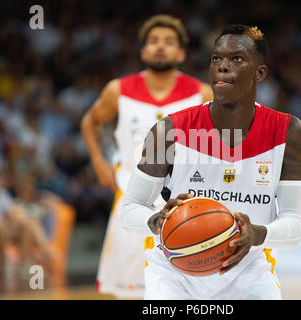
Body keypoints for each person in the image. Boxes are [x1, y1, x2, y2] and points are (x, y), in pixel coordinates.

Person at [121, 24, 301, 300]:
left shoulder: (288, 132)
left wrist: (257, 234)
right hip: (174, 272)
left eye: (236, 59)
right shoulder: (169, 131)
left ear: (260, 73)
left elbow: (294, 225)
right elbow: (129, 210)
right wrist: (156, 220)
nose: (222, 66)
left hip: (249, 271)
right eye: (216, 59)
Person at [81, 15, 213, 298]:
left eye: (168, 42)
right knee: (129, 290)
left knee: (186, 287)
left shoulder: (201, 93)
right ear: (143, 51)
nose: (160, 47)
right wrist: (98, 162)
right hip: (132, 195)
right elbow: (89, 122)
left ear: (181, 53)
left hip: (183, 199)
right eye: (153, 42)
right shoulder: (118, 90)